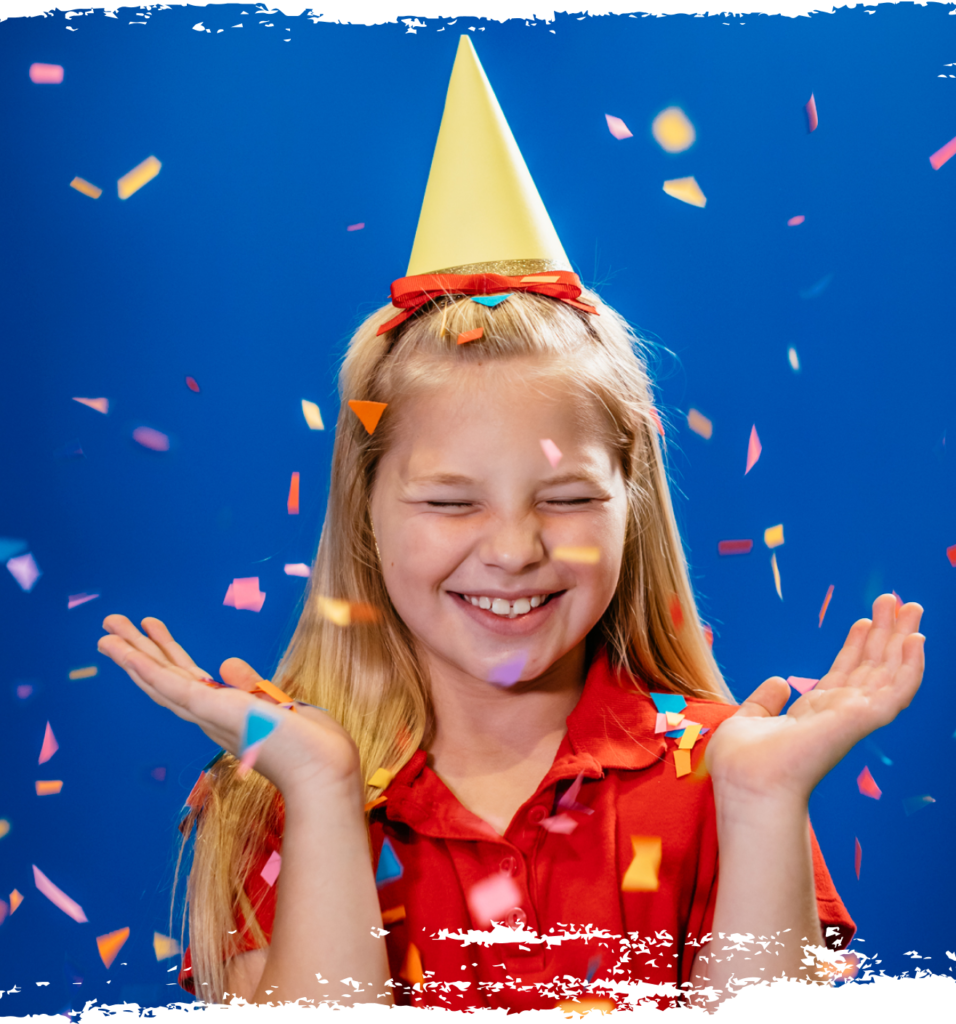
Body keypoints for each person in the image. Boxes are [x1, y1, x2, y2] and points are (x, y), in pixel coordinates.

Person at [96, 36, 925, 1019]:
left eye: (568, 497)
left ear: (634, 505)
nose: (514, 548)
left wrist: (760, 806)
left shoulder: (726, 769)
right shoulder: (267, 789)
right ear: (363, 514)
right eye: (451, 501)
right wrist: (319, 792)